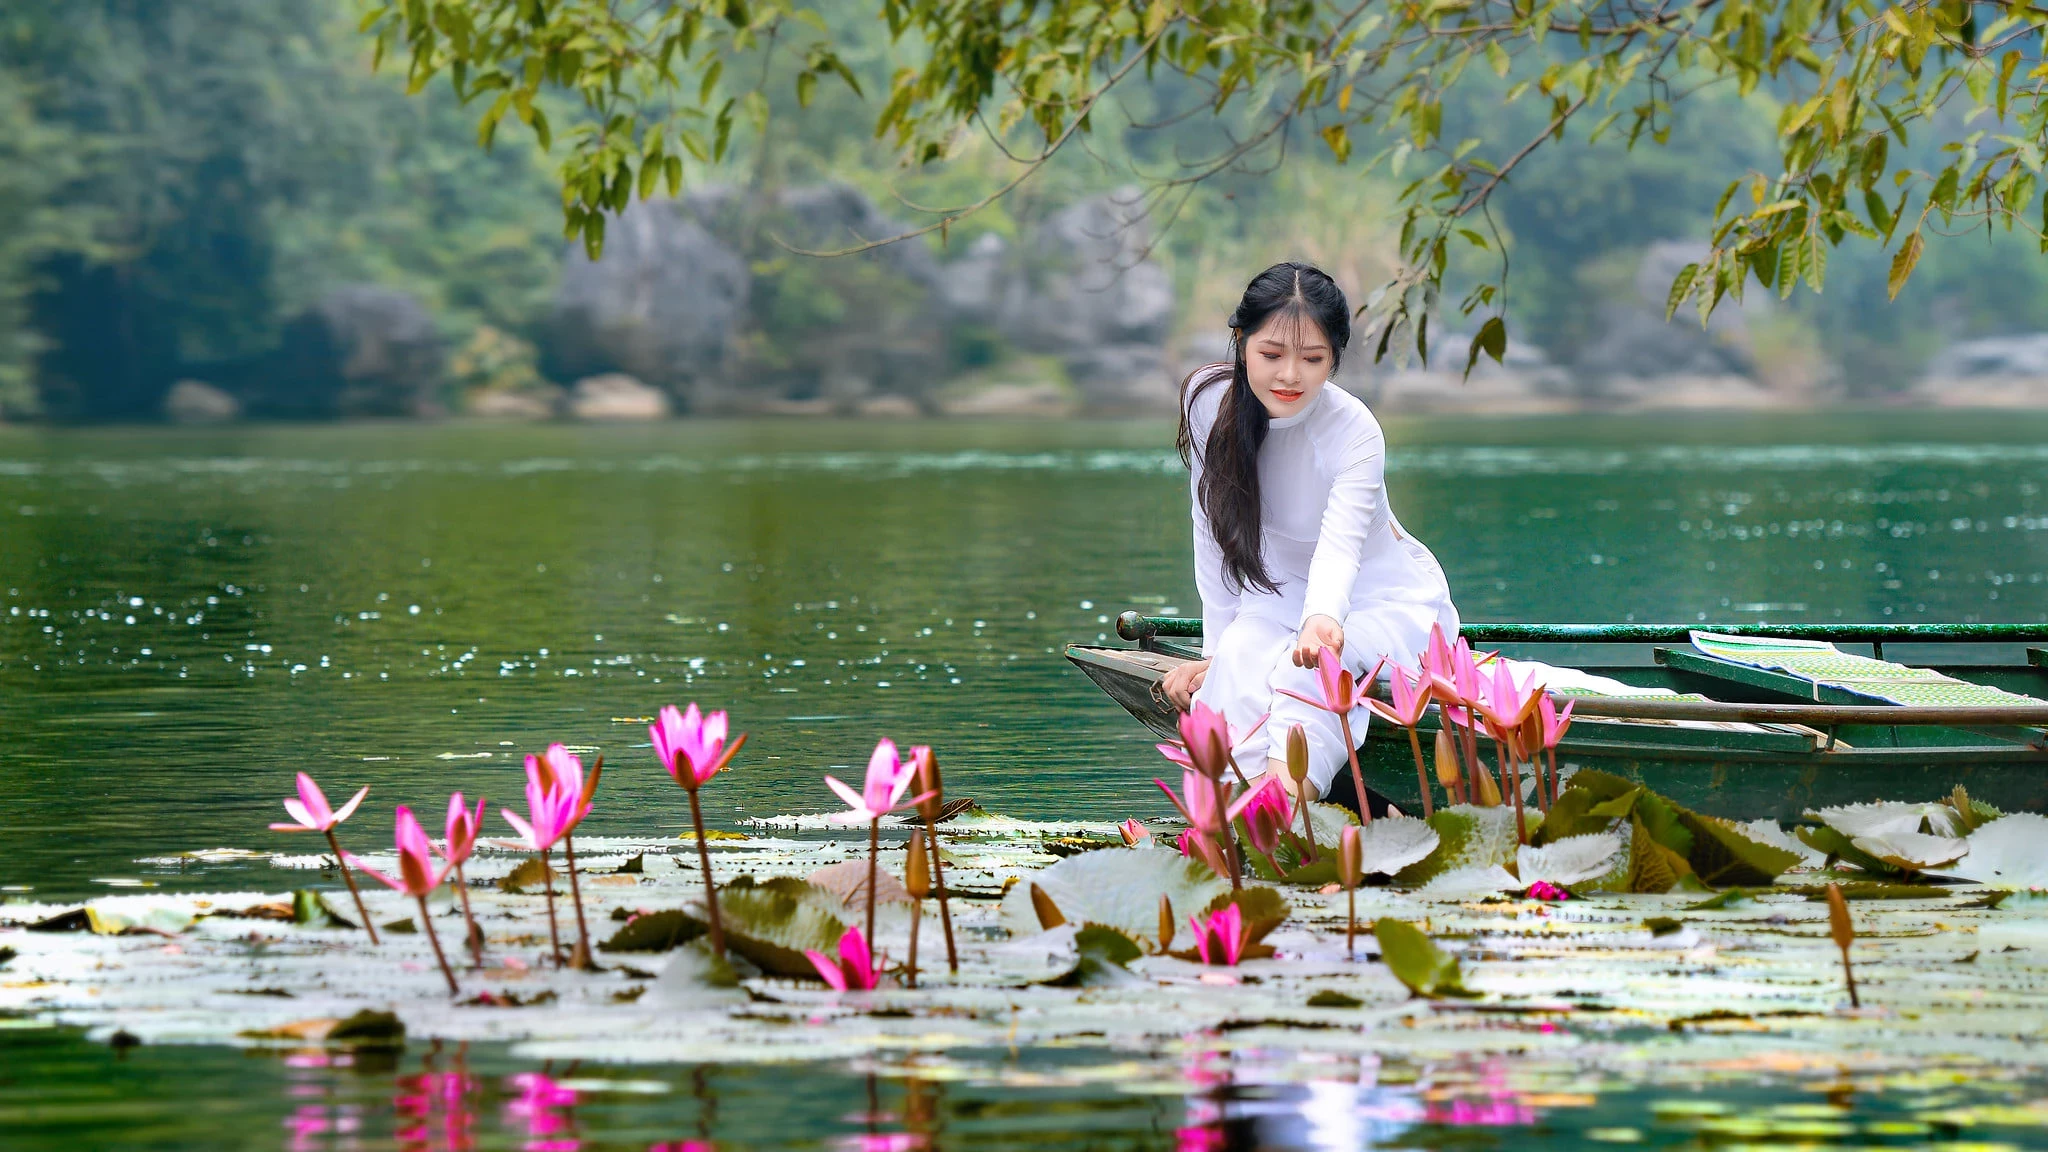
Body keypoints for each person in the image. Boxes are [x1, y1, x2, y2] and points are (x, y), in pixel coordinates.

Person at [1158, 262, 1459, 814]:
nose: (1289, 376)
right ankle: (1224, 833)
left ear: (1335, 359)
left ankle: (1287, 827)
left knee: (1311, 670)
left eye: (1313, 359)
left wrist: (1323, 621)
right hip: (1278, 600)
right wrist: (1216, 656)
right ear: (1241, 342)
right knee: (1241, 666)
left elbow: (1340, 547)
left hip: (1382, 603)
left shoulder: (1355, 431)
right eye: (1271, 354)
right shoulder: (1207, 403)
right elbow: (1212, 534)